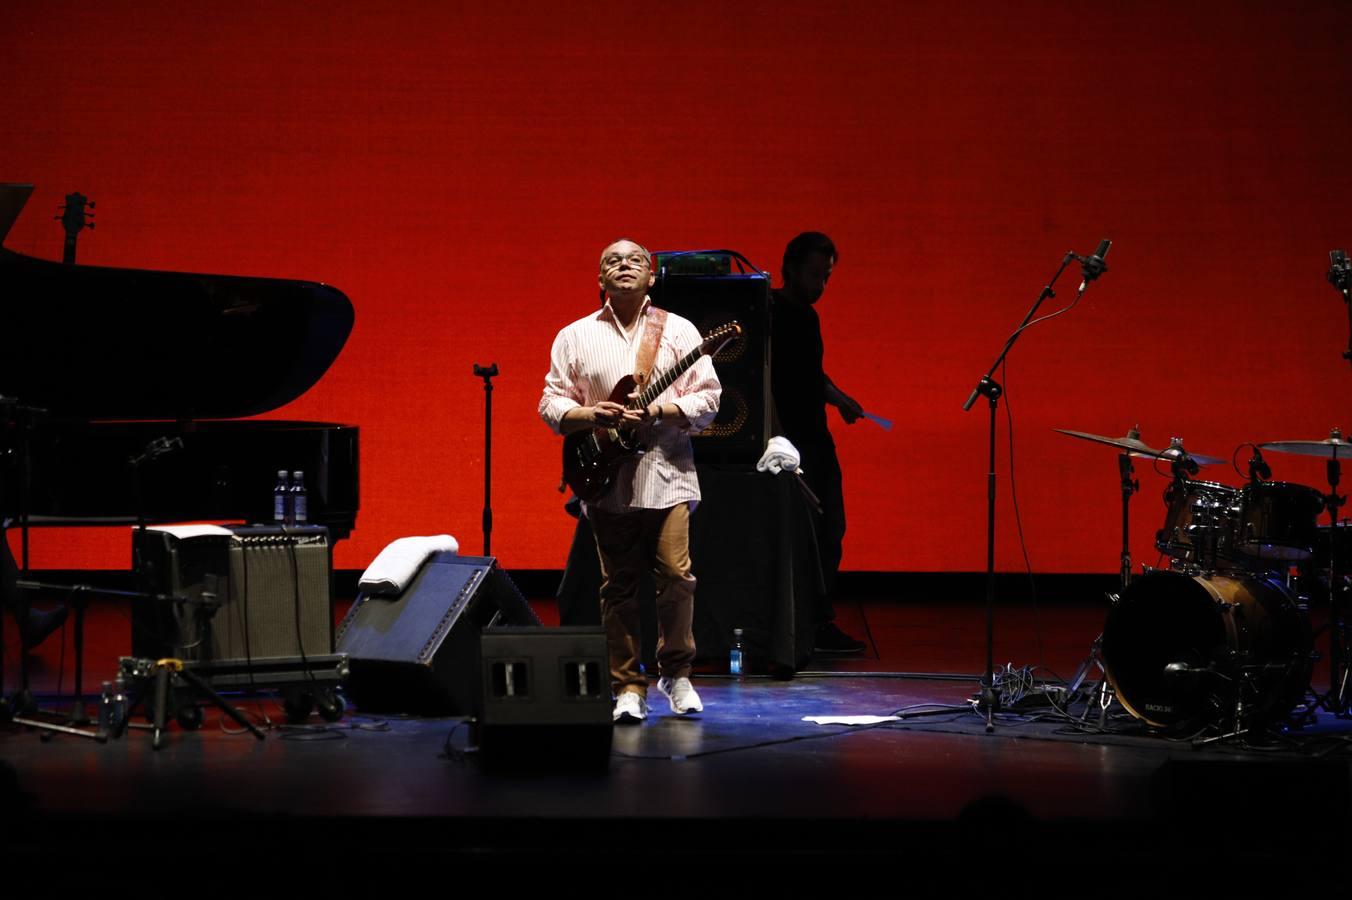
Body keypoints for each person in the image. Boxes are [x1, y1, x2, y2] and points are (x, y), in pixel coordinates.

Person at [540, 239, 721, 723]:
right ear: (600, 279)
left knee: (677, 577)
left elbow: (709, 398)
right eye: (612, 261)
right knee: (617, 586)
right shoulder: (574, 336)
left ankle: (676, 674)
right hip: (608, 478)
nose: (624, 265)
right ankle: (627, 686)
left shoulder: (680, 331)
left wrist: (661, 409)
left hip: (669, 473)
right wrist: (588, 413)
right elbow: (551, 404)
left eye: (635, 260)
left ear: (651, 276)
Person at [770, 231, 867, 654]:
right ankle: (799, 622)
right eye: (814, 275)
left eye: (826, 277)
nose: (820, 286)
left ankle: (820, 620)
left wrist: (839, 397)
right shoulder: (768, 311)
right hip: (783, 443)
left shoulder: (809, 318)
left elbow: (811, 373)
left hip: (815, 437)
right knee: (799, 535)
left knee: (831, 528)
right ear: (789, 268)